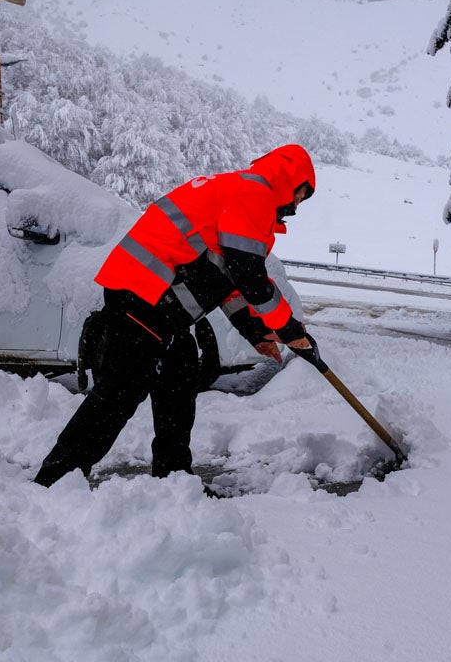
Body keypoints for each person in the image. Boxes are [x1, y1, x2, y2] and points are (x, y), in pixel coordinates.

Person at [34, 143, 319, 487]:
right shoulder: (252, 194)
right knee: (119, 393)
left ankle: (174, 482)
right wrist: (289, 329)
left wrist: (256, 333)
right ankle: (54, 480)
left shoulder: (239, 193)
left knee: (179, 379)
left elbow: (229, 282)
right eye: (303, 194)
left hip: (157, 304)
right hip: (142, 296)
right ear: (292, 178)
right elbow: (251, 277)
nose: (298, 206)